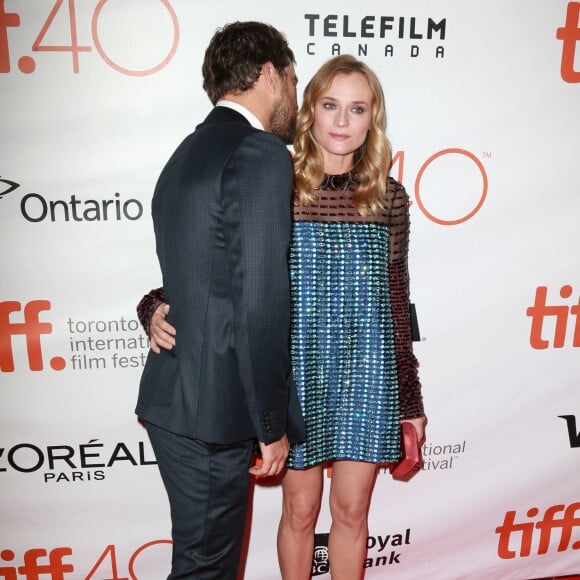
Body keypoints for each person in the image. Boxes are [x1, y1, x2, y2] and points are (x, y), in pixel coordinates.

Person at [139, 55, 426, 580]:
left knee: (352, 513)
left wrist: (410, 399)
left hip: (367, 373)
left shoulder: (390, 198)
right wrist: (154, 304)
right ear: (309, 112)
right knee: (299, 512)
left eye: (357, 109)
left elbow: (396, 301)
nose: (341, 121)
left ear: (372, 120)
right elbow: (215, 274)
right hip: (295, 374)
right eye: (330, 105)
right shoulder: (276, 180)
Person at [135, 21, 305, 579]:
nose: (295, 96)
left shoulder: (187, 152)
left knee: (199, 563)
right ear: (269, 75)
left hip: (175, 397)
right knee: (206, 570)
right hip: (212, 411)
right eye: (294, 79)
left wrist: (153, 308)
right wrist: (270, 423)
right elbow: (258, 303)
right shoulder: (258, 153)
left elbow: (199, 278)